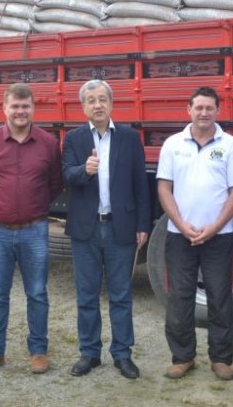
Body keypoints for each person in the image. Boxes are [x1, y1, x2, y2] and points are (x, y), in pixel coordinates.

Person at [0, 83, 62, 375]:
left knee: (37, 293)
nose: (20, 112)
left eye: (26, 106)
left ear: (33, 108)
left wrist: (31, 206)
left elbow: (55, 184)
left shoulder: (48, 143)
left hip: (35, 230)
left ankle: (38, 351)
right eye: (15, 106)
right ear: (4, 108)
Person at [156, 87, 233, 381]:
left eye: (209, 108)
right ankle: (183, 357)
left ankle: (221, 358)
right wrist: (182, 225)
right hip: (179, 235)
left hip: (218, 237)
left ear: (218, 111)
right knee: (180, 297)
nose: (204, 113)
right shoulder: (172, 144)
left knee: (220, 297)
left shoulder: (231, 145)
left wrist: (216, 227)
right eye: (199, 107)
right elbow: (164, 188)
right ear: (189, 109)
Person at [62, 80, 150, 379]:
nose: (97, 105)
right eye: (91, 100)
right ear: (83, 107)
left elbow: (141, 184)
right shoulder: (73, 138)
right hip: (85, 230)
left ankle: (122, 354)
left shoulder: (128, 137)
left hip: (120, 228)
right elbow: (66, 174)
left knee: (121, 295)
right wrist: (82, 171)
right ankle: (89, 353)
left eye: (102, 99)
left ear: (111, 104)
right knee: (86, 295)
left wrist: (142, 224)